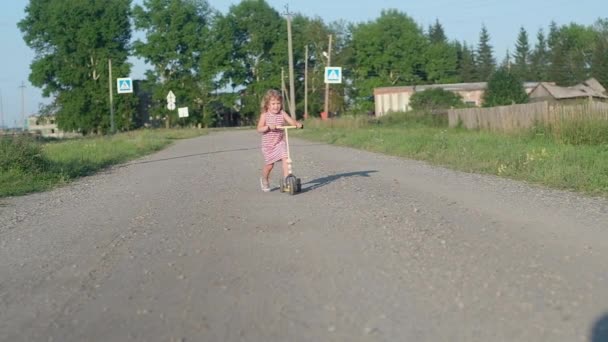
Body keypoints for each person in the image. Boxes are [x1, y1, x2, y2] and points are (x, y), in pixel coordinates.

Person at [256, 89, 302, 192]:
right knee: (269, 165)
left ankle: (287, 179)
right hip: (268, 145)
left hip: (279, 143)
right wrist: (268, 127)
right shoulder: (265, 115)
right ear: (268, 105)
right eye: (273, 103)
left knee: (286, 158)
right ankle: (264, 179)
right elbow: (259, 128)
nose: (276, 106)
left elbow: (291, 121)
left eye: (278, 103)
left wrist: (297, 124)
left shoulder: (282, 113)